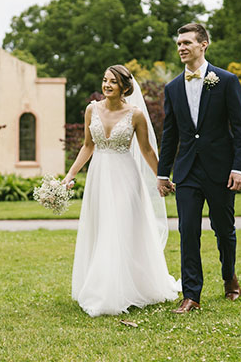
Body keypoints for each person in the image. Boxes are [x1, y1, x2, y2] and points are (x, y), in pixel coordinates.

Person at [64, 65, 181, 317]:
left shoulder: (135, 114)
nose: (106, 85)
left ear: (124, 87)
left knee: (120, 228)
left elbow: (147, 150)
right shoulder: (91, 109)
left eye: (113, 82)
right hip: (98, 177)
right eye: (104, 80)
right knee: (102, 228)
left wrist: (161, 177)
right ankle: (102, 287)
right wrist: (70, 174)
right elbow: (87, 146)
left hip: (125, 177)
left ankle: (123, 289)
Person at [157, 23, 241, 314]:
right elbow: (170, 134)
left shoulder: (226, 80)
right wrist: (162, 173)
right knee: (188, 232)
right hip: (187, 172)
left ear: (203, 44)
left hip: (221, 170)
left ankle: (229, 277)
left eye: (187, 42)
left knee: (224, 230)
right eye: (178, 44)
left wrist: (239, 167)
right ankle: (191, 295)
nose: (181, 47)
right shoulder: (172, 88)